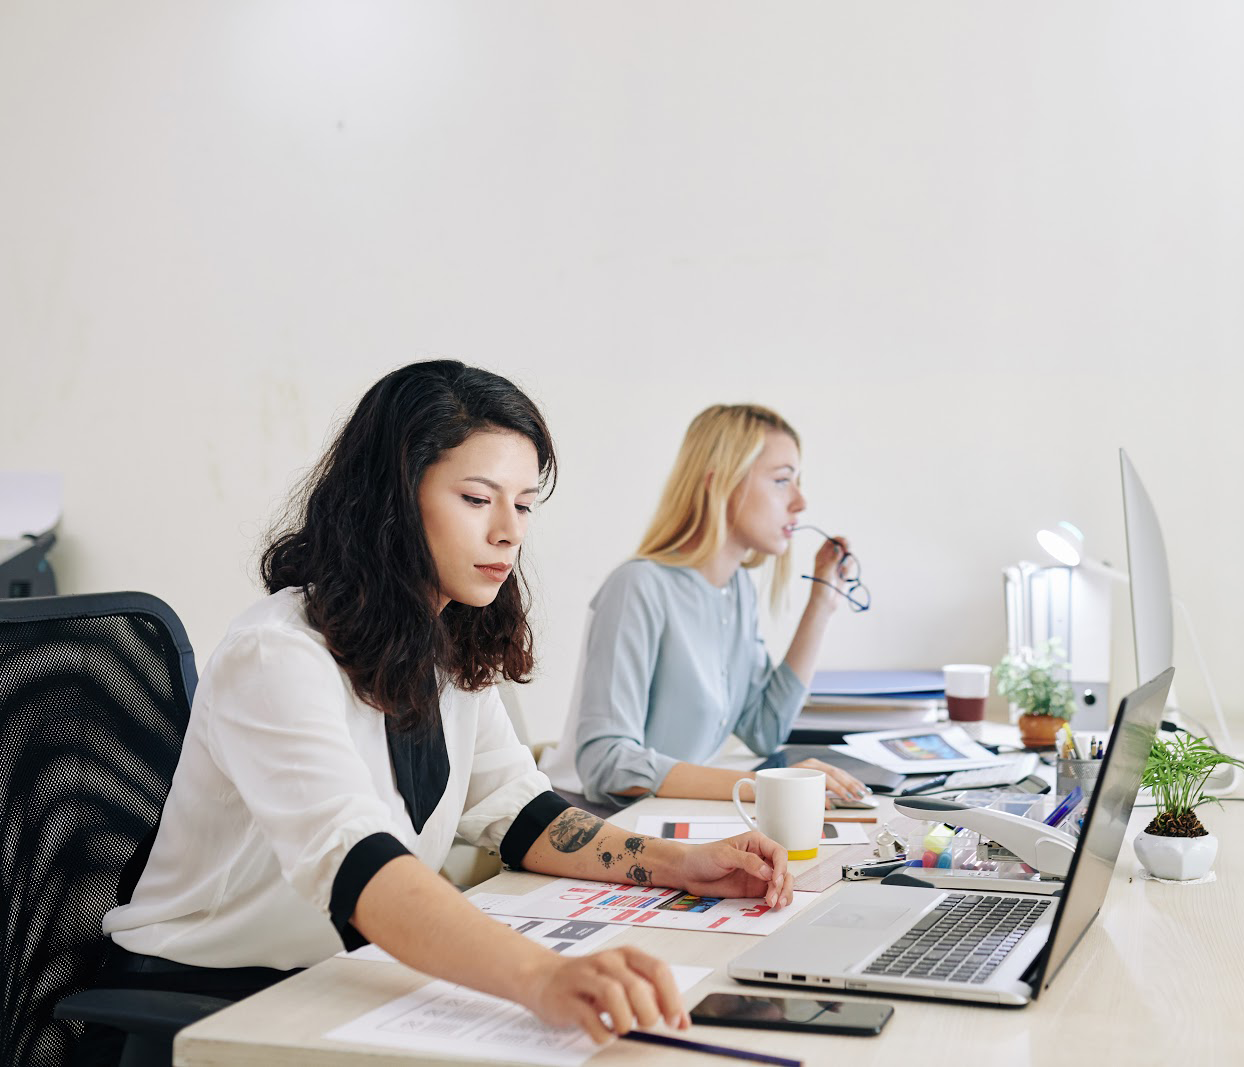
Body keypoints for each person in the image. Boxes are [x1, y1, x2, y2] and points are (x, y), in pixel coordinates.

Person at [98, 362, 793, 1049]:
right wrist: (542, 976)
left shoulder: (445, 645)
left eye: (522, 504)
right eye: (476, 498)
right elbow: (359, 866)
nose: (509, 532)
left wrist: (683, 863)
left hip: (333, 975)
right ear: (393, 499)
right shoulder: (276, 655)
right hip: (205, 999)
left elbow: (523, 815)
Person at [546, 403, 868, 806]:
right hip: (599, 819)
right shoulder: (638, 587)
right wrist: (762, 788)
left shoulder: (736, 589)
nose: (801, 502)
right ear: (722, 484)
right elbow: (608, 763)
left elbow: (764, 728)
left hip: (671, 816)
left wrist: (821, 604)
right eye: (783, 481)